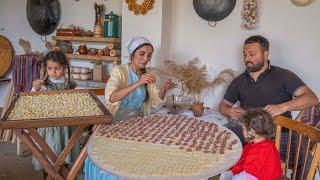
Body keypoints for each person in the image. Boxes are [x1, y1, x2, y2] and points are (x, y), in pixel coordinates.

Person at [83, 36, 174, 180]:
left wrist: (164, 89)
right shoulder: (119, 71)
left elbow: (156, 101)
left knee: (136, 162)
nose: (145, 59)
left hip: (137, 124)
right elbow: (111, 97)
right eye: (141, 54)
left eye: (149, 55)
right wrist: (137, 83)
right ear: (132, 54)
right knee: (116, 164)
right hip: (114, 123)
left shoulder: (147, 73)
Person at [219, 35, 318, 143]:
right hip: (250, 135)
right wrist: (229, 111)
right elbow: (223, 106)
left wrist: (282, 107)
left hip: (280, 136)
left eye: (252, 54)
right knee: (220, 139)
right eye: (245, 54)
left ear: (265, 54)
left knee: (298, 156)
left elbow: (312, 98)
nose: (247, 59)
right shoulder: (239, 81)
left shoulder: (283, 75)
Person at [31, 51, 79, 172]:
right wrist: (36, 90)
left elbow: (74, 104)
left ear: (64, 68)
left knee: (65, 157)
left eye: (57, 68)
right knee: (48, 158)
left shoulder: (69, 85)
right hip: (48, 128)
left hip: (65, 128)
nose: (53, 72)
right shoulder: (42, 85)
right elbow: (32, 102)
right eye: (50, 68)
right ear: (46, 69)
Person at [219, 109, 282, 180]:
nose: (242, 131)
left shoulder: (258, 152)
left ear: (251, 132)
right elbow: (243, 161)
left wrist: (231, 175)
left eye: (244, 129)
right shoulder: (261, 143)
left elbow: (246, 174)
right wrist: (232, 170)